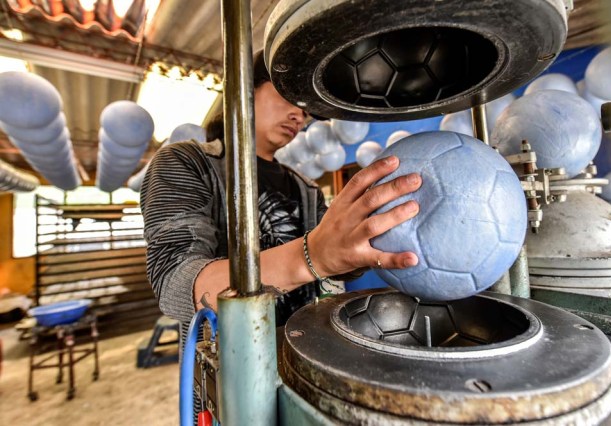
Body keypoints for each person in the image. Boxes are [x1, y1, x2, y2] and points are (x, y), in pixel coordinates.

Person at [140, 50, 421, 338]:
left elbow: (336, 264)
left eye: (305, 109)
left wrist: (361, 241)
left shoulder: (306, 188)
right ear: (244, 91)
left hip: (301, 348)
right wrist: (312, 256)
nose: (299, 115)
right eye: (289, 97)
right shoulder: (186, 162)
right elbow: (174, 281)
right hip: (229, 363)